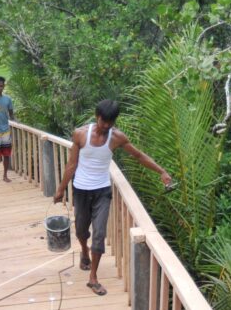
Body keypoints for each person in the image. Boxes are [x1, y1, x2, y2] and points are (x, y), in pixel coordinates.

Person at [53, 100, 172, 296]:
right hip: (81, 189)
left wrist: (161, 171)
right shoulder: (80, 134)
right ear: (96, 116)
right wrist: (61, 189)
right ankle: (84, 251)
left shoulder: (117, 138)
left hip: (102, 191)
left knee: (99, 233)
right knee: (82, 230)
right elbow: (71, 164)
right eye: (103, 121)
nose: (106, 126)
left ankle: (93, 278)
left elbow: (139, 156)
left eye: (110, 122)